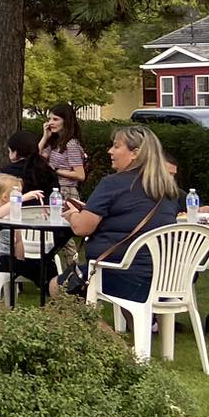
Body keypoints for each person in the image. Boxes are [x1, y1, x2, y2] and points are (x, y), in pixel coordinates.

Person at [67, 125, 179, 305]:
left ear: (135, 153)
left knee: (58, 287)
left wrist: (72, 214)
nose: (110, 151)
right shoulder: (169, 189)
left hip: (120, 275)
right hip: (167, 277)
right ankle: (141, 329)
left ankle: (101, 333)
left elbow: (82, 228)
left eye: (116, 146)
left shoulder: (112, 184)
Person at [40, 103, 88, 200]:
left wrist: (56, 170)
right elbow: (37, 157)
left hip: (66, 191)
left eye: (55, 119)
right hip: (53, 188)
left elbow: (80, 175)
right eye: (49, 119)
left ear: (66, 121)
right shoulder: (55, 141)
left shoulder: (71, 144)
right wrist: (45, 137)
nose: (50, 123)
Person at [1, 129, 59, 199]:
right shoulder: (49, 171)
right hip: (45, 208)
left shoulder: (6, 172)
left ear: (15, 152)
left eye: (9, 151)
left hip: (17, 209)